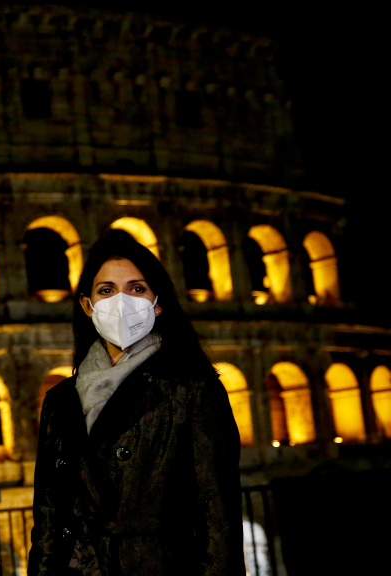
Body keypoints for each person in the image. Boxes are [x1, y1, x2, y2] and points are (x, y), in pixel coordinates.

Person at [29, 230, 244, 576]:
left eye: (137, 288)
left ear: (157, 304)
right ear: (88, 306)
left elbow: (217, 515)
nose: (121, 301)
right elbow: (48, 516)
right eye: (106, 290)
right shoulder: (60, 400)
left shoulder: (192, 389)